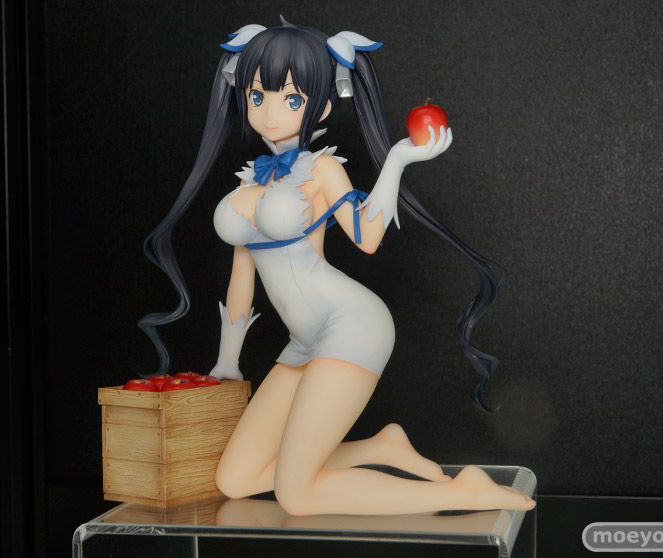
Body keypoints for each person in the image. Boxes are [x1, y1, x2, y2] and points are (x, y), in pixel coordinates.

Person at [139, 20, 533, 514]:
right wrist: (228, 361)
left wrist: (397, 160)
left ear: (322, 106)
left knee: (296, 495)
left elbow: (367, 239)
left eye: (292, 99)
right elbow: (243, 276)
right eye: (258, 96)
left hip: (351, 325)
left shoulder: (323, 168)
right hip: (303, 340)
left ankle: (461, 492)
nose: (271, 112)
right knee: (235, 479)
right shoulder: (248, 182)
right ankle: (379, 447)